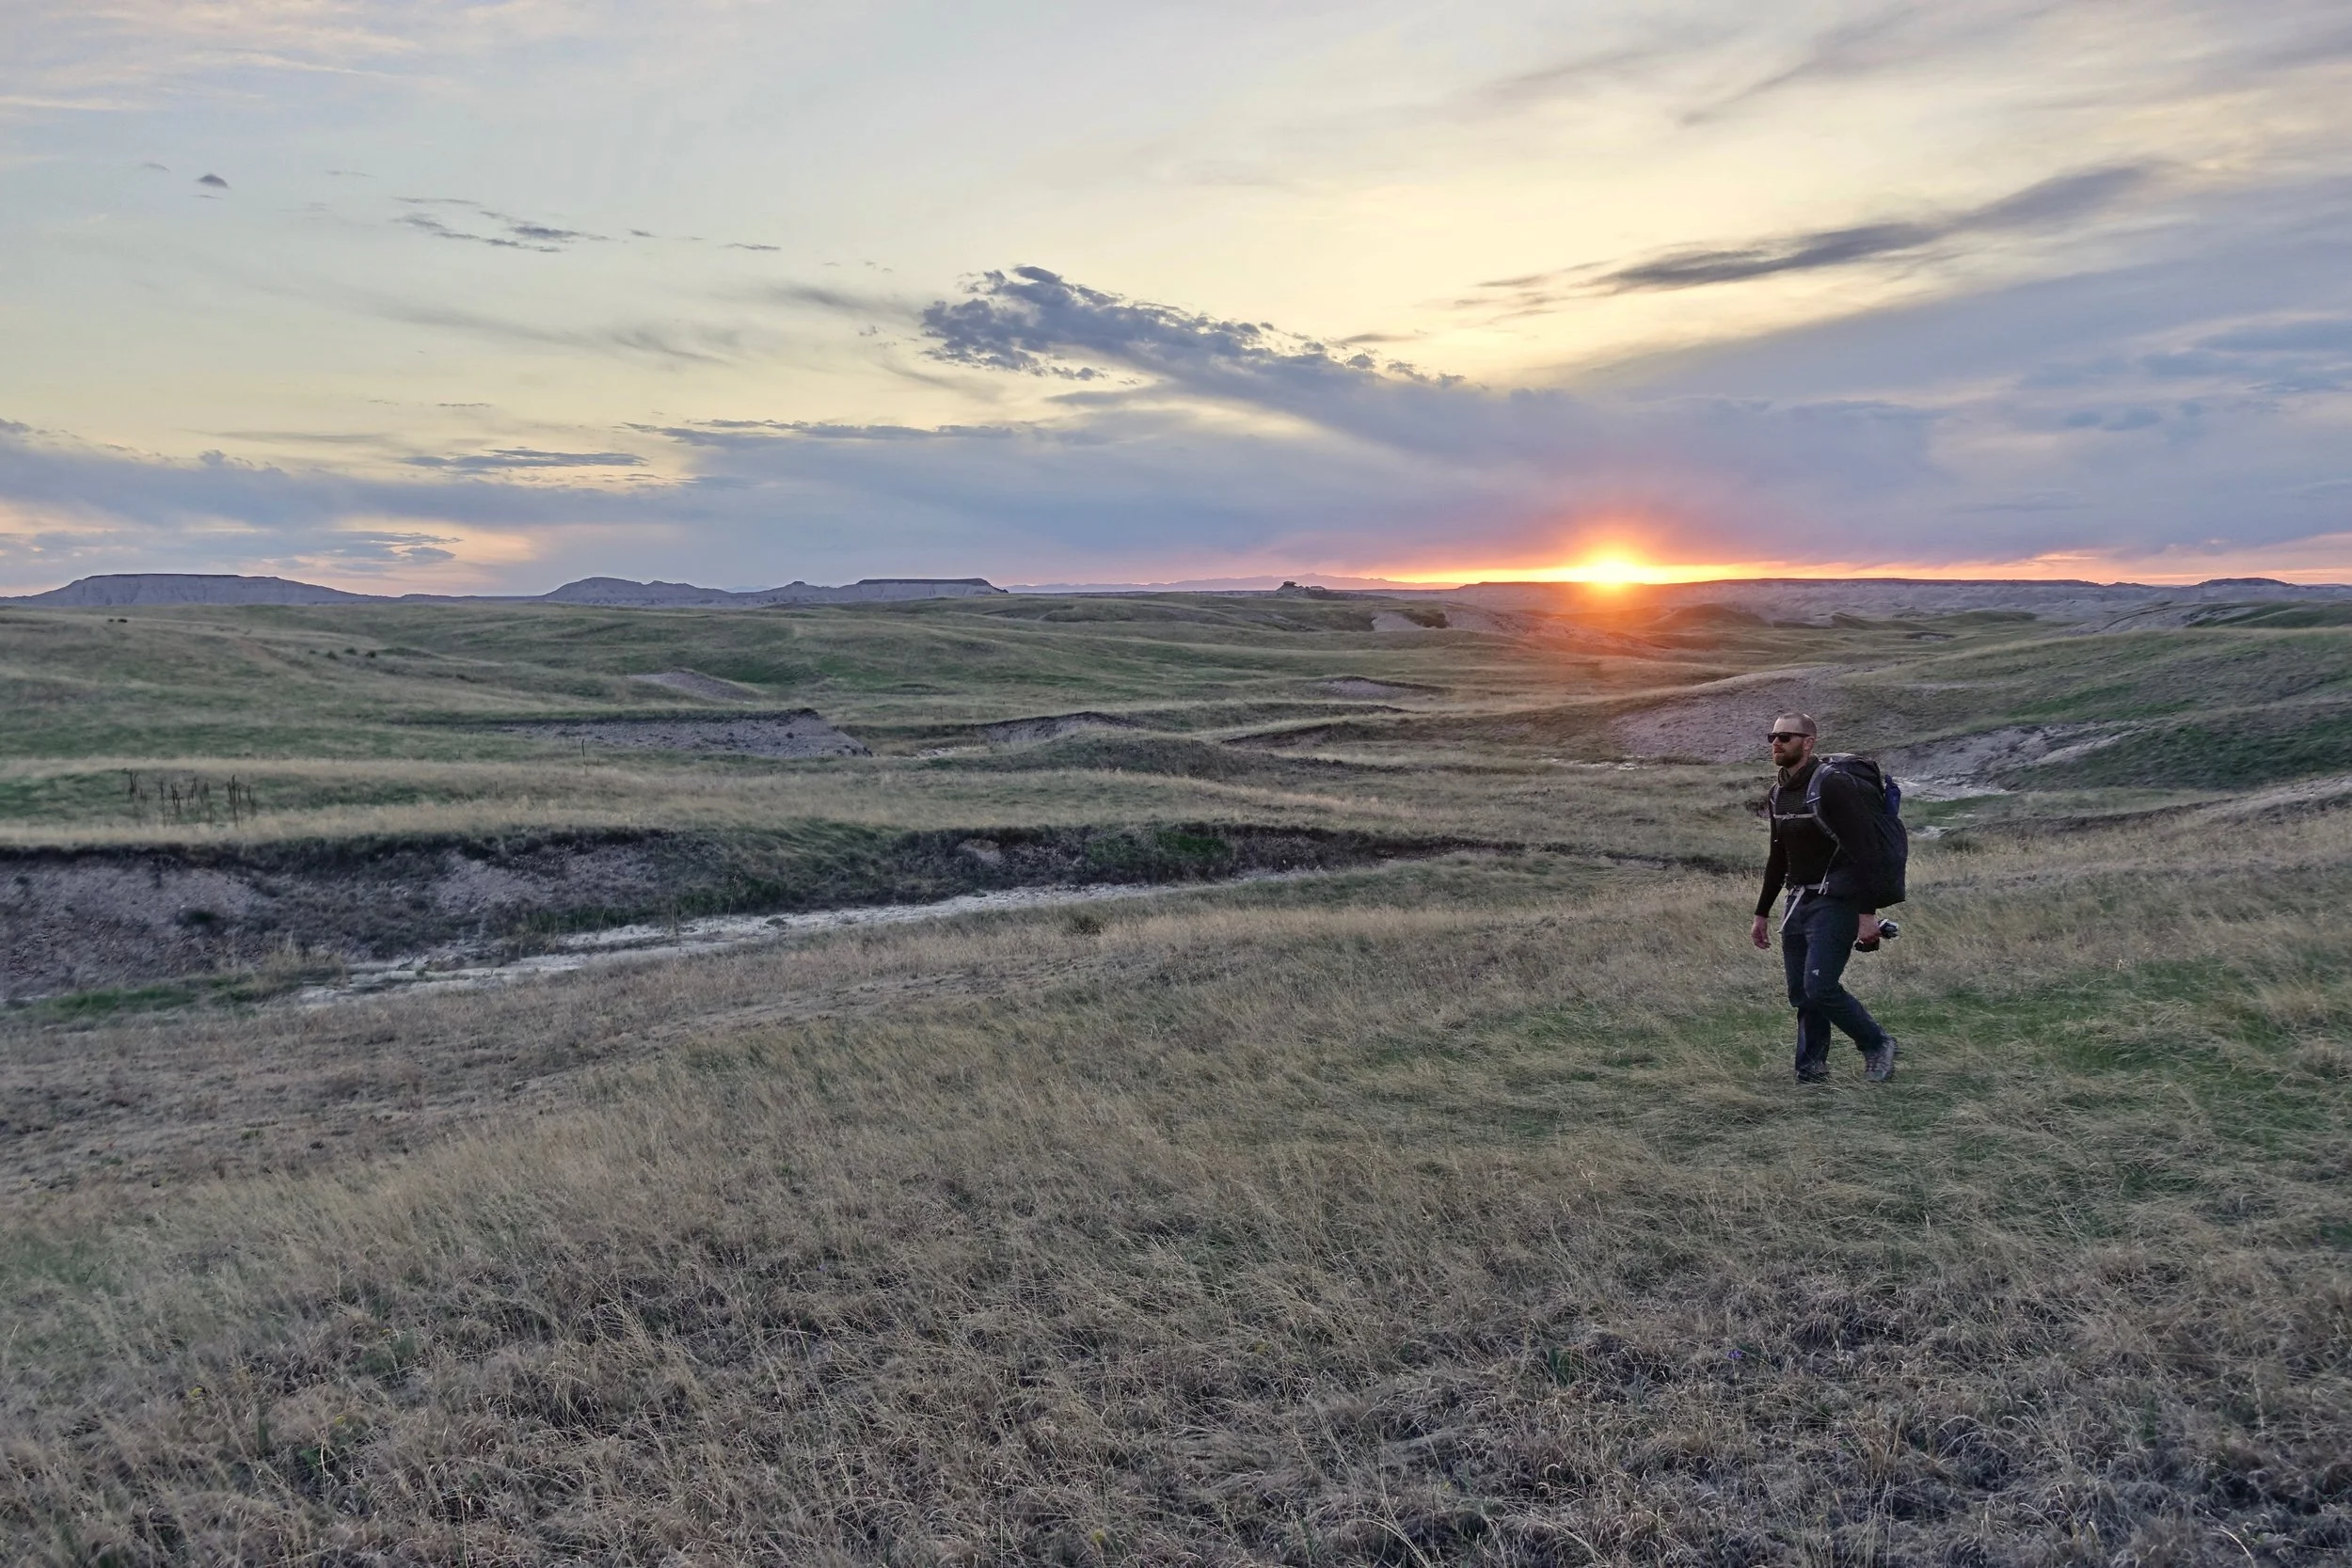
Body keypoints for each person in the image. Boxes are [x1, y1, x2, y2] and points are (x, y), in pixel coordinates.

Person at [1749, 714, 1899, 1083]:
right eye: (1772, 736)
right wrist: (1762, 912)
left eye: (1785, 736)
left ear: (1808, 742)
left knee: (1820, 986)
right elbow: (1777, 855)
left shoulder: (1833, 786)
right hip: (1797, 901)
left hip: (1838, 900)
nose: (1776, 743)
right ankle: (1811, 1069)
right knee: (1801, 992)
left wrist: (1867, 914)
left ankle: (1877, 1043)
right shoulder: (1778, 792)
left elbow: (1866, 852)